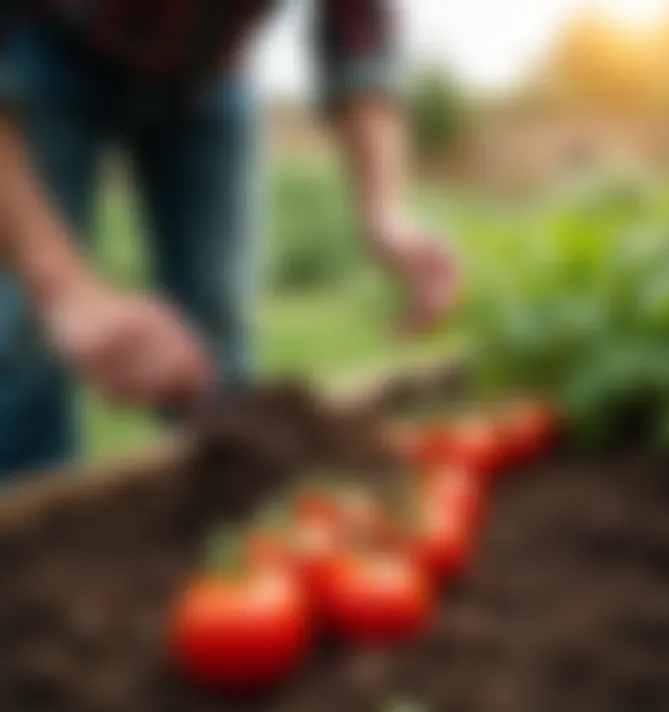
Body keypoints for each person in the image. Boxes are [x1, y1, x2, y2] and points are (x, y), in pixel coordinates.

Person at [0, 1, 459, 476]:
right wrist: (63, 288)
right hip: (45, 42)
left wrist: (385, 212)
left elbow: (359, 30)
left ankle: (227, 523)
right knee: (23, 341)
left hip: (209, 75)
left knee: (216, 327)